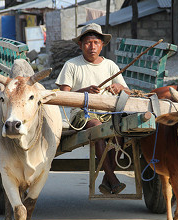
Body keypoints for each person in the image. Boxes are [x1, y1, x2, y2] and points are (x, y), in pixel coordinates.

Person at [56, 23, 130, 195]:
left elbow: (127, 90)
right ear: (81, 45)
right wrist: (84, 92)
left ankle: (106, 179)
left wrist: (119, 88)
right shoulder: (72, 65)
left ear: (102, 45)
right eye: (88, 43)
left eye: (96, 42)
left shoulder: (110, 65)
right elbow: (64, 94)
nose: (92, 46)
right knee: (98, 129)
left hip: (110, 112)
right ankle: (112, 179)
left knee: (119, 132)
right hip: (83, 114)